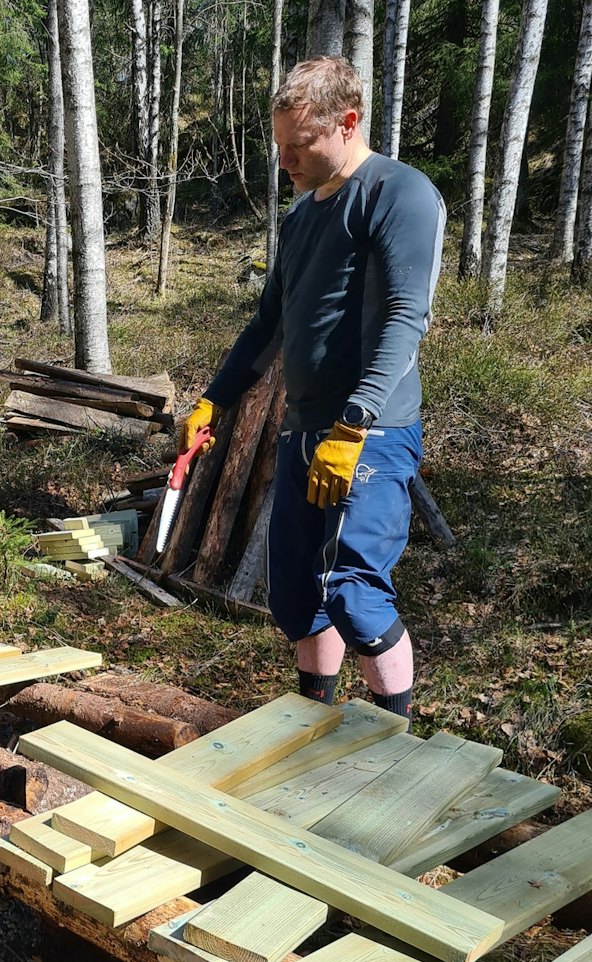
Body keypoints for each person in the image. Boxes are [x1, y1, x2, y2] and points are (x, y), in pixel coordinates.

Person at [180, 56, 445, 724]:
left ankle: (393, 740)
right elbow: (267, 325)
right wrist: (215, 400)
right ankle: (314, 727)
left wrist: (355, 424)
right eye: (280, 146)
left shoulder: (398, 193)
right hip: (302, 432)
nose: (286, 161)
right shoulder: (300, 218)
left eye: (300, 145)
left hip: (369, 434)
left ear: (347, 123)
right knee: (298, 597)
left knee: (355, 595)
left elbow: (405, 317)